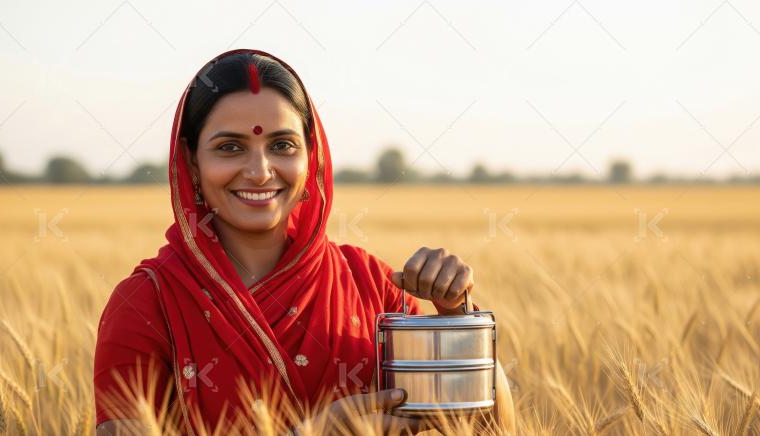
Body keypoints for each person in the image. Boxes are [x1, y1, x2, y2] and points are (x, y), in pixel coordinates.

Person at [93, 48, 514, 435]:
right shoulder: (148, 304)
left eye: (281, 145)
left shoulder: (371, 285)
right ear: (191, 162)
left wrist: (457, 319)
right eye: (230, 147)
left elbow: (489, 429)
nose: (259, 171)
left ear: (311, 155)